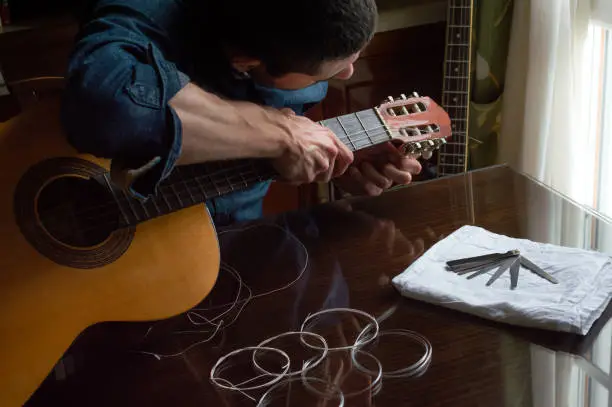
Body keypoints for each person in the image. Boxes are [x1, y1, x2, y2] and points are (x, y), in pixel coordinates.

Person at [60, 0, 423, 227]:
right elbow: (104, 105)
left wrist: (329, 157)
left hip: (236, 241)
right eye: (330, 71)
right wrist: (279, 134)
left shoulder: (304, 35)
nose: (348, 76)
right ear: (246, 62)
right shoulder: (150, 10)